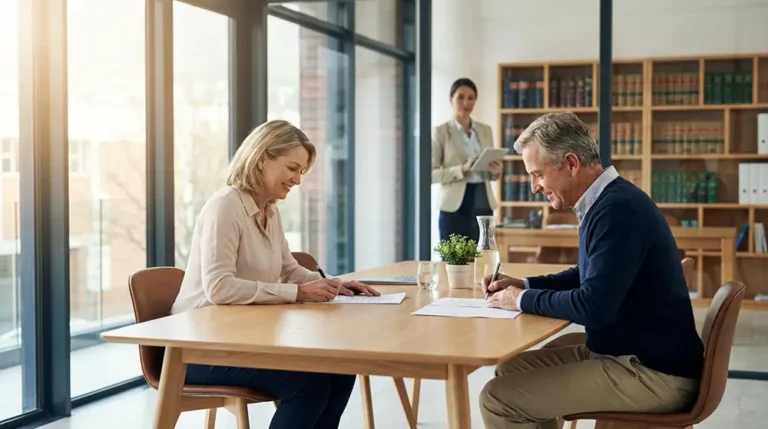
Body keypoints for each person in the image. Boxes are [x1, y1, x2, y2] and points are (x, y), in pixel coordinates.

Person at [479, 113, 704, 429]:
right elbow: (588, 275)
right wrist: (523, 283)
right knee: (509, 372)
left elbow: (593, 306)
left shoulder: (617, 210)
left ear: (570, 163)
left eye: (538, 174)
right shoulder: (609, 201)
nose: (534, 187)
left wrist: (520, 299)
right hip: (629, 354)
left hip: (652, 373)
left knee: (498, 399)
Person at [170, 119, 380, 429]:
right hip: (198, 349)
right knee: (308, 386)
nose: (297, 180)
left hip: (239, 339)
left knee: (340, 368)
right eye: (292, 168)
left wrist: (331, 285)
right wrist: (297, 293)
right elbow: (219, 287)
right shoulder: (225, 207)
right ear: (261, 159)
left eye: (301, 172)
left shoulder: (270, 209)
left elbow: (288, 269)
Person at [432, 78, 503, 243]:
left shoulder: (485, 130)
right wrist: (462, 169)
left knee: (483, 256)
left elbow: (490, 172)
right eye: (461, 97)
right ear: (451, 100)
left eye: (471, 98)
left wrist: (495, 172)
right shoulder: (441, 132)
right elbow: (430, 174)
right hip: (454, 206)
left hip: (482, 200)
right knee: (453, 259)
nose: (466, 102)